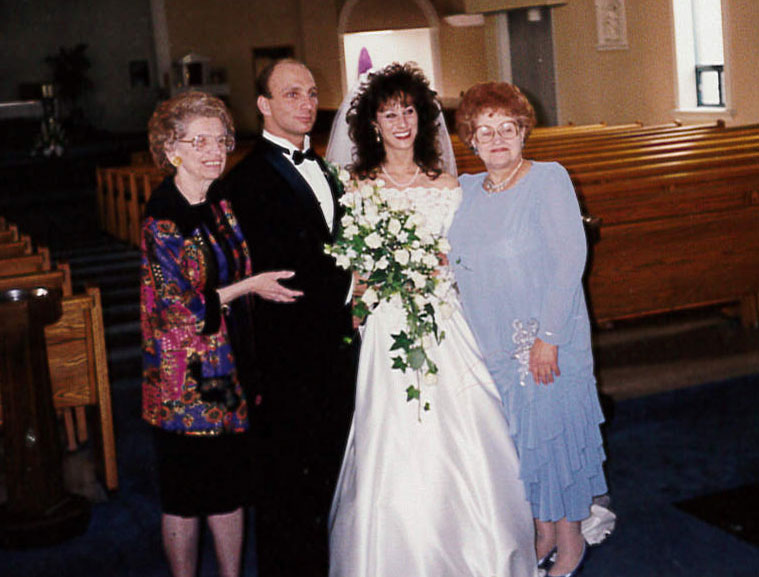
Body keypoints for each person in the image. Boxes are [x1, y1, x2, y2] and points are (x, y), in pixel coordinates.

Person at [327, 62, 537, 577]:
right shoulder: (356, 186)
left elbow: (467, 256)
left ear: (422, 117)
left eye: (408, 111)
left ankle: (481, 549)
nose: (401, 122)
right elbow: (350, 263)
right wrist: (364, 293)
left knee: (467, 423)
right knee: (391, 432)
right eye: (389, 113)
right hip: (386, 325)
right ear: (372, 124)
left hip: (444, 317)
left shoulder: (447, 185)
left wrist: (441, 266)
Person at [448, 82, 609, 577]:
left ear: (523, 132)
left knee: (553, 439)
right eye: (485, 130)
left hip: (543, 340)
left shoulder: (548, 179)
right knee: (520, 445)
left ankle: (570, 541)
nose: (497, 138)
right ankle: (542, 531)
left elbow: (570, 260)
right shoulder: (465, 190)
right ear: (470, 139)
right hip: (489, 341)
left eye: (507, 128)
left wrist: (548, 338)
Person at [141, 91, 301, 577]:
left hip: (229, 370)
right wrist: (250, 287)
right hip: (182, 383)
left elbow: (247, 261)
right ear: (172, 148)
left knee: (230, 489)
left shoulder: (221, 202)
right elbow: (178, 308)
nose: (215, 151)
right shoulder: (162, 216)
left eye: (221, 140)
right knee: (185, 498)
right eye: (200, 142)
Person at [220, 59, 356, 577]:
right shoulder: (246, 180)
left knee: (330, 480)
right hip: (287, 359)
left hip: (335, 350)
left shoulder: (326, 168)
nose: (306, 103)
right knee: (288, 494)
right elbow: (280, 269)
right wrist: (353, 288)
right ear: (264, 105)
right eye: (292, 93)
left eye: (312, 93)